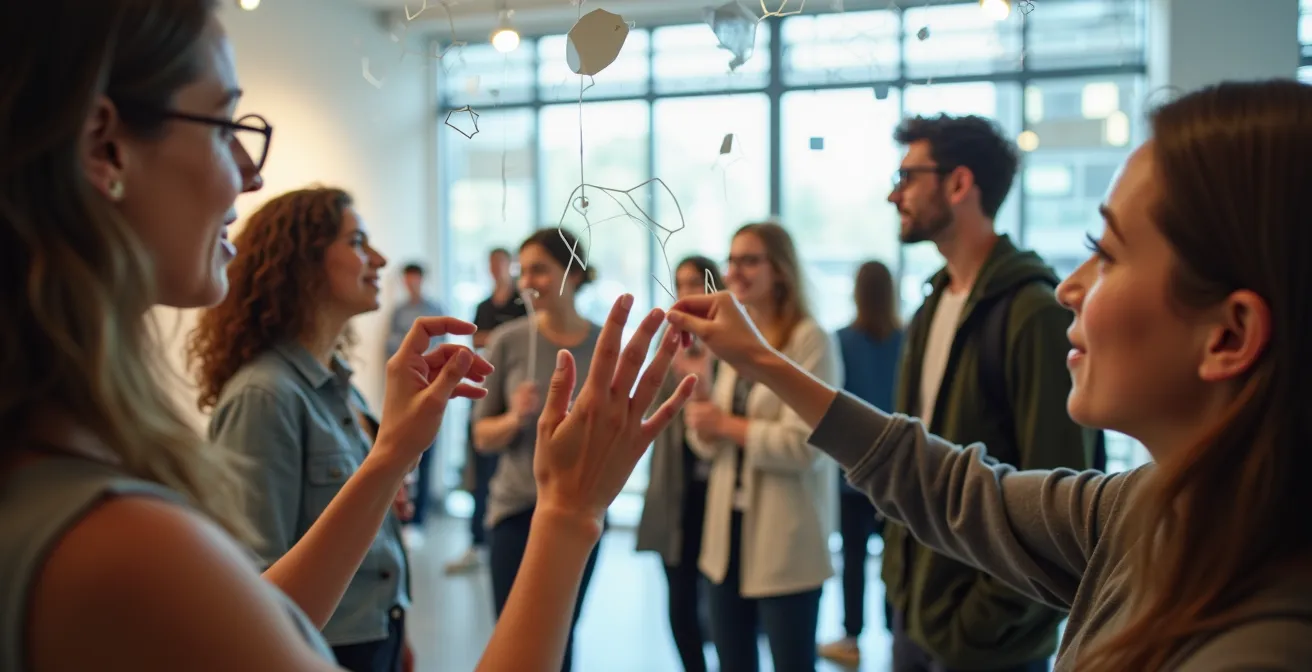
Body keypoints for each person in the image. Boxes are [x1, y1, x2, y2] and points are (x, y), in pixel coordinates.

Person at [0, 1, 694, 670]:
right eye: (222, 126)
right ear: (106, 148)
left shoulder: (59, 477)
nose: (251, 172)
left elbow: (264, 617)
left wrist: (390, 454)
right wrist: (569, 514)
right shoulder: (117, 538)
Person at [667, 78, 1312, 672]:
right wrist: (760, 362)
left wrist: (975, 631)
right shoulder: (1140, 510)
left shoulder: (1254, 638)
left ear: (1228, 336)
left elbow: (1005, 476)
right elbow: (950, 486)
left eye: (1107, 254)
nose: (1072, 289)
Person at [873, 113, 1094, 672]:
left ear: (959, 183)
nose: (893, 193)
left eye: (908, 176)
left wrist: (985, 621)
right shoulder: (931, 306)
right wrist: (899, 579)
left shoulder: (1035, 314)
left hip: (989, 640)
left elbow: (1060, 494)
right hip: (916, 610)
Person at [189, 187, 417, 671]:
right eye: (357, 242)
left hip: (376, 634)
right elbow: (253, 590)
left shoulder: (341, 389)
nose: (377, 259)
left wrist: (396, 626)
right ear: (303, 262)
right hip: (317, 650)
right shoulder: (264, 397)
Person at [683, 222, 841, 672]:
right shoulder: (733, 339)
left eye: (750, 260)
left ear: (781, 270)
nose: (735, 271)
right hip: (725, 539)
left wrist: (727, 425)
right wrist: (701, 412)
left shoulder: (810, 340)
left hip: (785, 539)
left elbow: (806, 446)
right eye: (732, 260)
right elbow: (709, 444)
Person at [471, 228, 604, 672]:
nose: (528, 280)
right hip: (515, 512)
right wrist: (514, 418)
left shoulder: (605, 346)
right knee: (515, 641)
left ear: (574, 273)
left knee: (562, 636)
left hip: (579, 512)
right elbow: (480, 435)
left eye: (540, 270)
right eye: (523, 269)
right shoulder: (507, 341)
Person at [635, 255, 725, 672]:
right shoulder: (668, 341)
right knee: (679, 591)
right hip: (675, 488)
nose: (688, 291)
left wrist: (705, 385)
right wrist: (675, 375)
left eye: (697, 282)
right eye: (681, 282)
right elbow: (646, 409)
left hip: (723, 485)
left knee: (724, 596)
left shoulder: (730, 341)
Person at [817, 260, 903, 668]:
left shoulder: (841, 341)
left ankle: (851, 637)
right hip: (899, 473)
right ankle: (896, 631)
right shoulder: (908, 340)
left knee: (853, 559)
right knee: (894, 558)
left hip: (853, 472)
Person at [446, 247, 527, 574]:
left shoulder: (521, 304)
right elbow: (477, 341)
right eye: (491, 265)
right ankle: (478, 541)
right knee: (479, 475)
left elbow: (495, 342)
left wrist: (492, 340)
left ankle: (502, 539)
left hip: (514, 403)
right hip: (484, 398)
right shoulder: (482, 306)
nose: (496, 270)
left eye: (501, 264)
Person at [385, 262, 446, 531]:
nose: (411, 284)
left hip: (431, 387)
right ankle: (403, 516)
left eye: (415, 279)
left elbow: (443, 348)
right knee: (402, 452)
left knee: (429, 452)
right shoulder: (398, 312)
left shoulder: (435, 311)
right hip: (405, 390)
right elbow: (391, 349)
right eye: (407, 280)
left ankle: (419, 518)